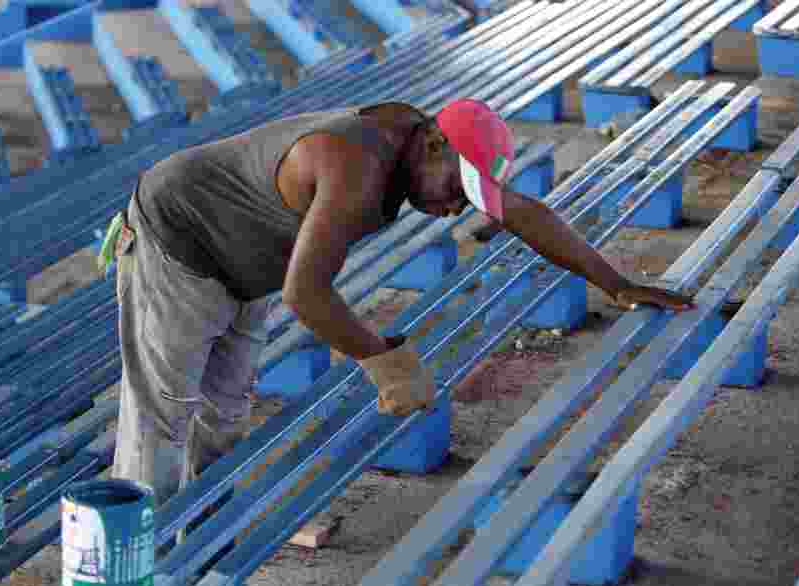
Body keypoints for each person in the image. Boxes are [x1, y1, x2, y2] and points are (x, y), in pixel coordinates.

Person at [100, 98, 694, 508]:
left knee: (223, 410)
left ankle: (198, 542)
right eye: (456, 190)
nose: (457, 208)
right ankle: (124, 577)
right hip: (177, 240)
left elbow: (521, 212)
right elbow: (305, 293)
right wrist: (385, 360)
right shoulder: (357, 170)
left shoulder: (418, 138)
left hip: (241, 256)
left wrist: (613, 281)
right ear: (433, 145)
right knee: (164, 412)